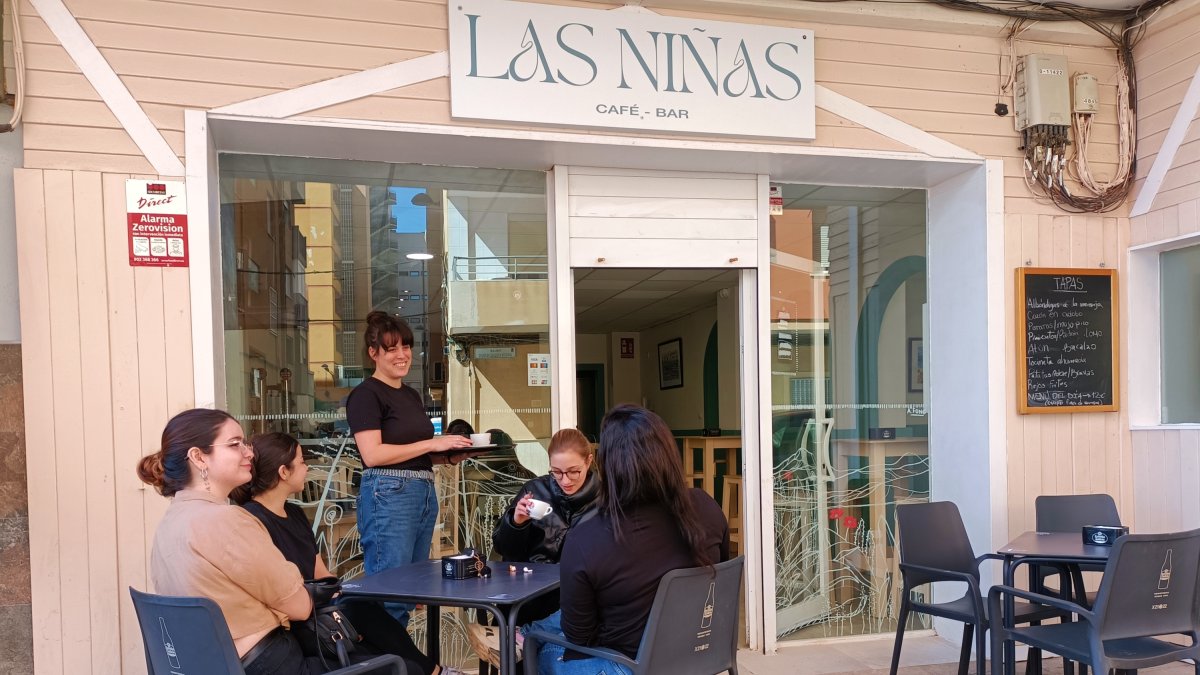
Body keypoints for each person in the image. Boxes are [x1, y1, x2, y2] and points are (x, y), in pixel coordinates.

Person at [231, 432, 465, 675]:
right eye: (301, 462)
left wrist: (339, 597)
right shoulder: (252, 520)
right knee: (398, 660)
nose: (307, 467)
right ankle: (434, 671)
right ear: (283, 472)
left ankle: (433, 671)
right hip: (294, 625)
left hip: (318, 614)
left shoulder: (294, 513)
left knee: (364, 611)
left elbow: (322, 575)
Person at [525, 405, 729, 675]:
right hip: (701, 655)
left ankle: (521, 637)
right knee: (549, 626)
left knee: (537, 647)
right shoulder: (706, 506)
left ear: (608, 466)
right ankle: (523, 632)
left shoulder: (587, 537)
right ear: (669, 454)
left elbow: (579, 637)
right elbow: (719, 573)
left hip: (629, 666)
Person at [136, 408, 320, 675]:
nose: (249, 453)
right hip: (268, 664)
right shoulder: (226, 520)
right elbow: (300, 607)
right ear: (199, 457)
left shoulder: (170, 522)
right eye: (235, 444)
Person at [347, 311, 473, 626]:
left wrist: (449, 456)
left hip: (422, 489)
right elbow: (372, 455)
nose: (402, 355)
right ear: (373, 353)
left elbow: (413, 453)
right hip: (388, 492)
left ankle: (399, 653)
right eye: (391, 349)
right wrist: (432, 444)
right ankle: (386, 654)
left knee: (410, 589)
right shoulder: (365, 395)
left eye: (406, 346)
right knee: (390, 592)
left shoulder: (411, 395)